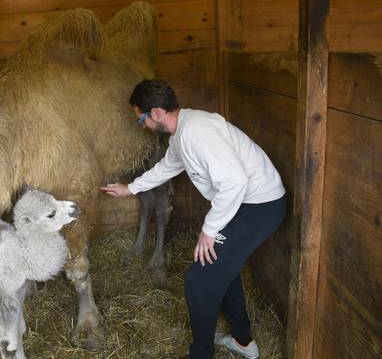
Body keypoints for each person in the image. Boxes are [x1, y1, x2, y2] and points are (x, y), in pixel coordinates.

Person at [101, 79, 286, 359]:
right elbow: (168, 166)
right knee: (220, 268)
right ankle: (244, 341)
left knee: (199, 279)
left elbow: (234, 181)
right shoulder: (182, 132)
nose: (143, 126)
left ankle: (200, 354)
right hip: (246, 204)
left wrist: (209, 230)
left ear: (155, 113)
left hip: (259, 206)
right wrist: (131, 189)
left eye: (141, 120)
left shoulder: (196, 133)